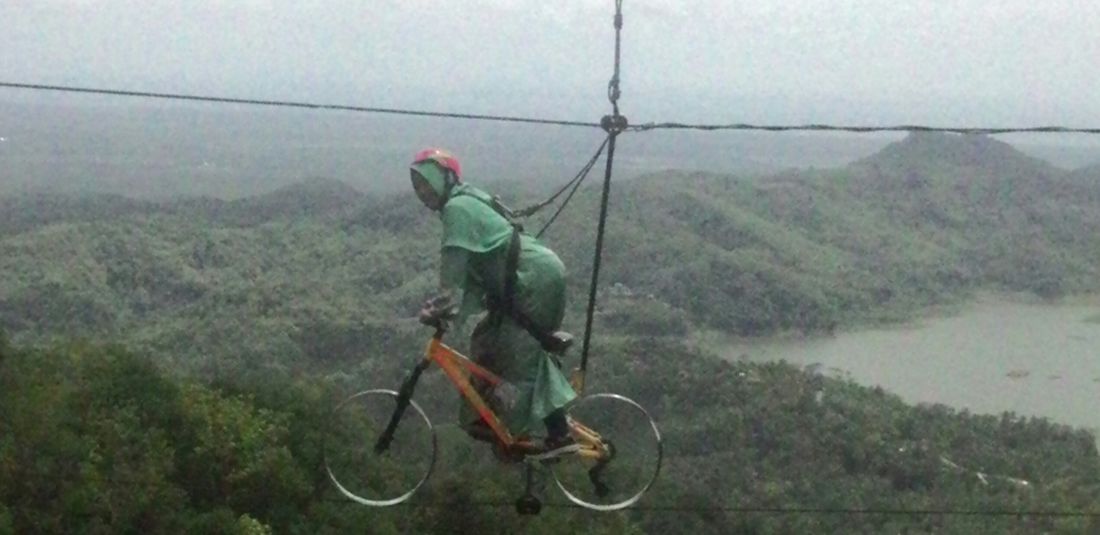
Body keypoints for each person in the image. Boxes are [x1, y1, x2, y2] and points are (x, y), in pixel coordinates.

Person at [410, 148, 578, 451]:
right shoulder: (465, 201)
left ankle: (541, 435)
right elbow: (473, 277)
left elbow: (454, 263)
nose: (422, 192)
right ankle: (491, 420)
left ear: (445, 177)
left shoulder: (457, 207)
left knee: (518, 353)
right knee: (487, 341)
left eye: (427, 182)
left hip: (533, 277)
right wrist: (450, 311)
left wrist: (441, 305)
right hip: (518, 283)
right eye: (417, 186)